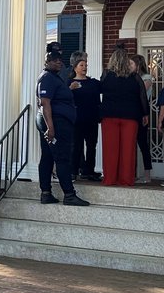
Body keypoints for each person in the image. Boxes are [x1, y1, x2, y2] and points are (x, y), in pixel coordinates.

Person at [36, 50, 89, 206]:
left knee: (48, 156)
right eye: (54, 59)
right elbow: (45, 103)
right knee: (62, 157)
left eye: (60, 59)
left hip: (56, 121)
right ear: (46, 62)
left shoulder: (54, 78)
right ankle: (69, 194)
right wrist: (50, 128)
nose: (58, 62)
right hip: (55, 123)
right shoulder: (46, 78)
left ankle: (46, 193)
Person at [99, 46, 148, 187]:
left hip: (109, 115)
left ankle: (110, 179)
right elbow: (142, 96)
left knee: (110, 149)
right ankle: (126, 179)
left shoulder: (107, 74)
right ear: (127, 61)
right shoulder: (135, 77)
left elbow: (100, 90)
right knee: (128, 149)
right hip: (131, 116)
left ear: (112, 60)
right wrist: (145, 114)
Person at [68, 52, 102, 182]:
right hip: (76, 119)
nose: (84, 67)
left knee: (91, 145)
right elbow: (63, 98)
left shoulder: (93, 83)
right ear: (75, 67)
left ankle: (89, 171)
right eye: (81, 65)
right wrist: (70, 89)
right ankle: (73, 171)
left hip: (91, 118)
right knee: (76, 146)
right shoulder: (69, 83)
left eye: (86, 65)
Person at [131, 53, 154, 183]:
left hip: (142, 113)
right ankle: (132, 173)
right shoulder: (132, 77)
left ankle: (147, 175)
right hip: (133, 113)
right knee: (131, 144)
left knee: (143, 144)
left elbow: (140, 93)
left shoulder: (146, 78)